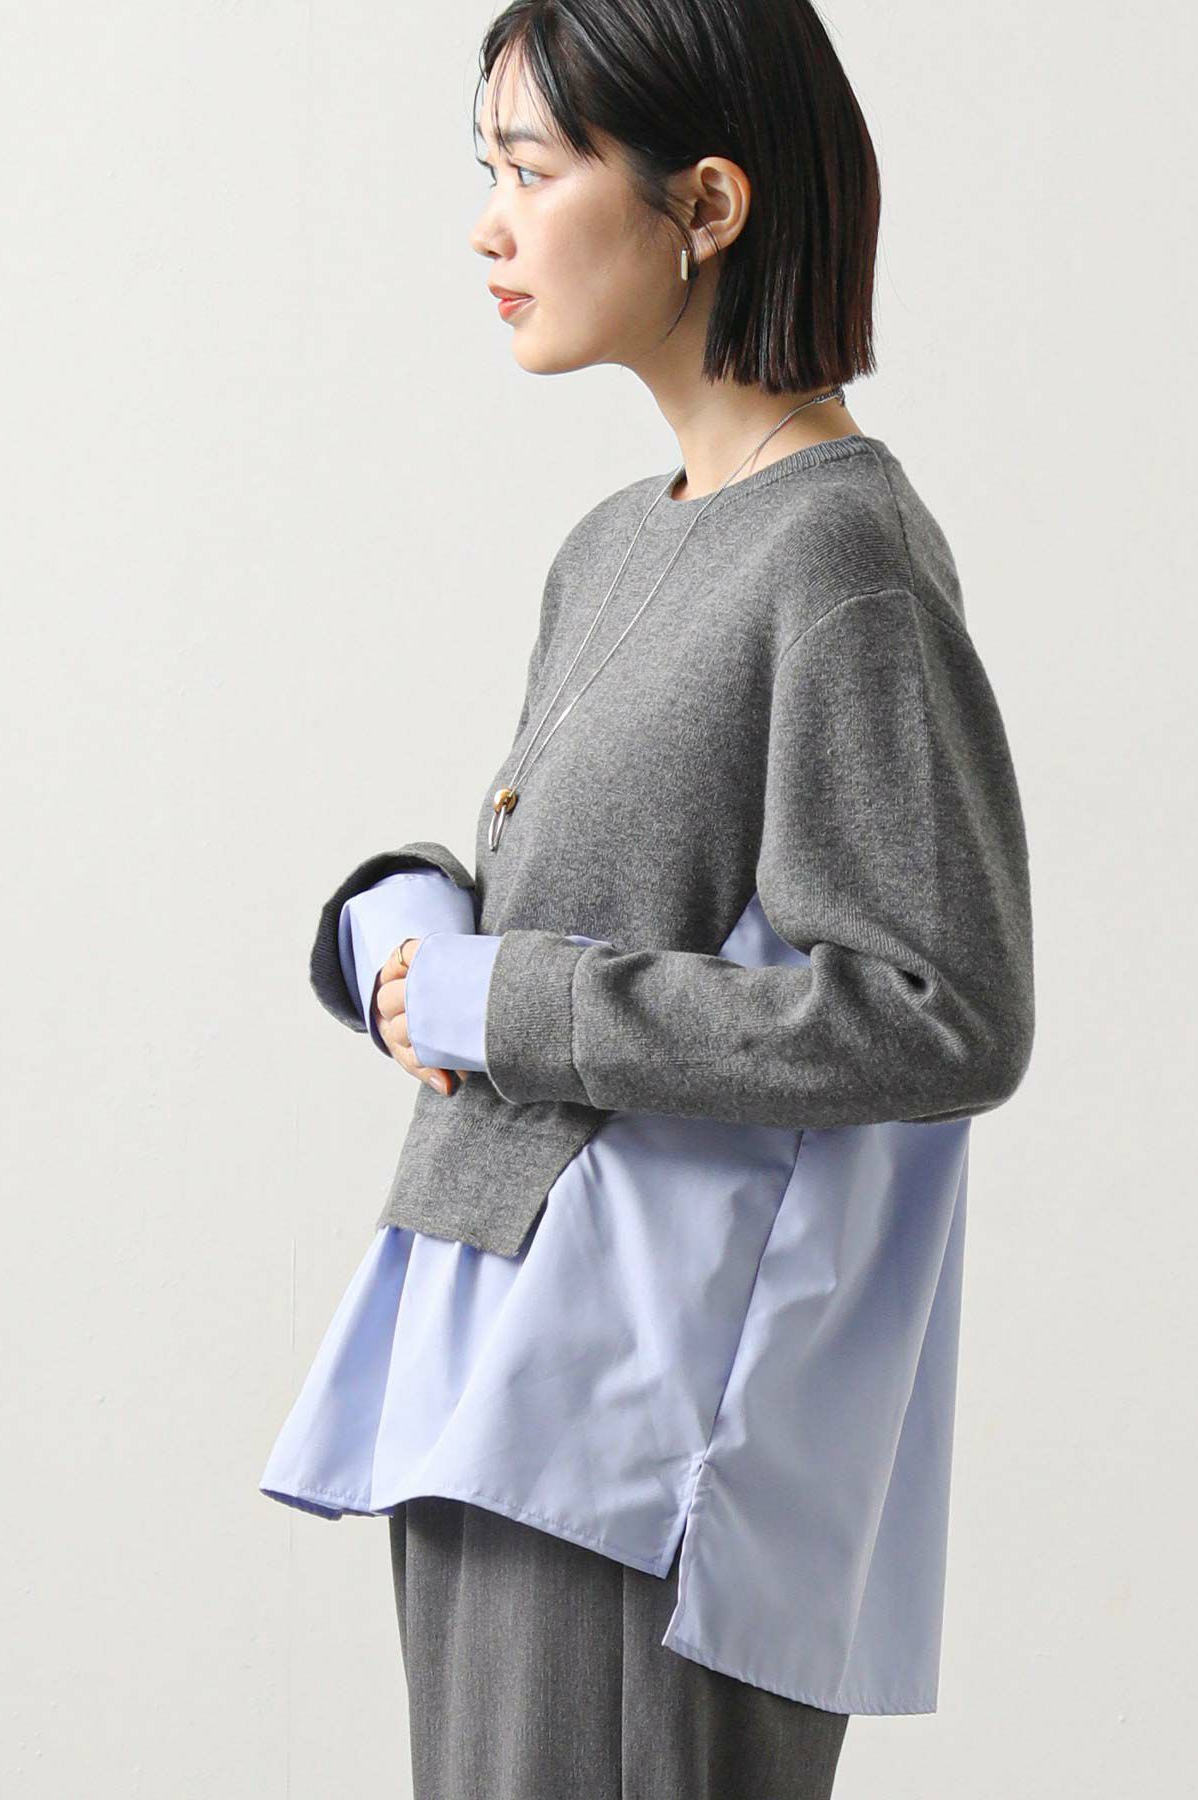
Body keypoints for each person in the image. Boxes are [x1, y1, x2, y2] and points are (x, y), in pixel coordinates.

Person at [260, 3, 1036, 1795]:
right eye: (490, 171)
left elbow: (942, 1009)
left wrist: (513, 998)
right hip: (481, 1374)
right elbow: (603, 899)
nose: (490, 224)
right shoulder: (619, 541)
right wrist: (406, 920)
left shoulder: (839, 556)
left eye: (534, 172)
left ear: (706, 205)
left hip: (637, 1434)